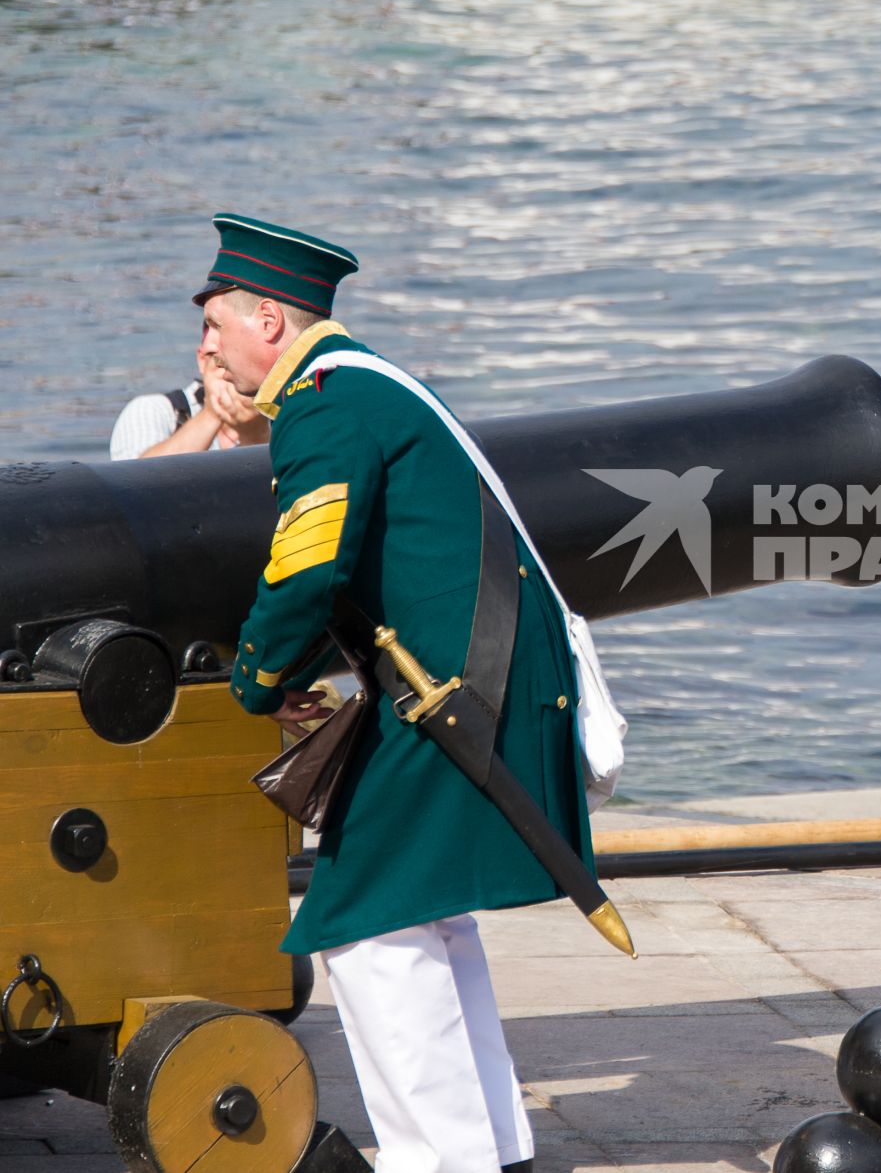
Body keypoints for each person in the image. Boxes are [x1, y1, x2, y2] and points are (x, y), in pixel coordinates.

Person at [202, 211, 595, 1170]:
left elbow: (307, 567)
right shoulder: (366, 384)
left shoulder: (326, 406)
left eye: (215, 323)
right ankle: (492, 1149)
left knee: (368, 921)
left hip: (462, 686)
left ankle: (444, 1159)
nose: (205, 346)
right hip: (470, 675)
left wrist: (257, 679)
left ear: (270, 323)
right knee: (423, 912)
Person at [108, 323, 268, 459]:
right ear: (202, 361)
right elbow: (138, 483)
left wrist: (256, 434)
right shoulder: (153, 410)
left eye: (241, 362)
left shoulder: (283, 414)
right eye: (219, 361)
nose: (229, 374)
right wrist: (211, 414)